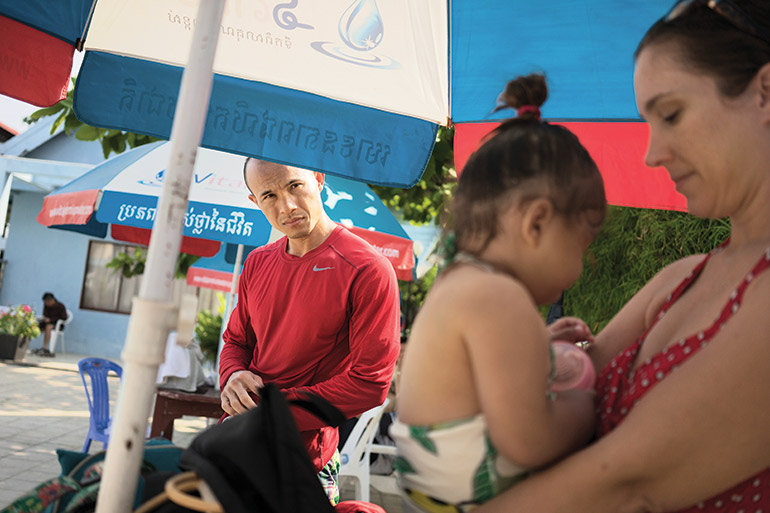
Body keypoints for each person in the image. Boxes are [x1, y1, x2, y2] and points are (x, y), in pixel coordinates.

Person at [474, 2, 770, 512]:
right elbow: (561, 398)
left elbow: (626, 484)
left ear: (765, 92)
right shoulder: (680, 278)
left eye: (672, 114)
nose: (652, 153)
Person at [391, 73, 606, 513]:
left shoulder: (463, 282)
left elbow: (475, 382)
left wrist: (539, 347)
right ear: (537, 223)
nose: (581, 266)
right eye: (584, 243)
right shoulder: (498, 296)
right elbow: (528, 441)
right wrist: (586, 406)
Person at [218, 158, 401, 505]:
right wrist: (233, 374)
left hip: (304, 459)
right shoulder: (257, 262)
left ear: (318, 179)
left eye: (294, 186)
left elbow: (370, 383)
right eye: (269, 195)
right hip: (236, 443)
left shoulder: (367, 269)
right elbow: (236, 341)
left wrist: (274, 412)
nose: (285, 206)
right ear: (254, 202)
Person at [34, 292, 67, 357]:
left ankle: (44, 347)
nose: (47, 304)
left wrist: (51, 319)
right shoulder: (46, 306)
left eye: (48, 302)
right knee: (34, 325)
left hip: (57, 325)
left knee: (48, 327)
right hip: (47, 323)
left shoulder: (60, 306)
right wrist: (45, 319)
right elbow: (45, 314)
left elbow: (64, 317)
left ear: (52, 300)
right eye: (45, 302)